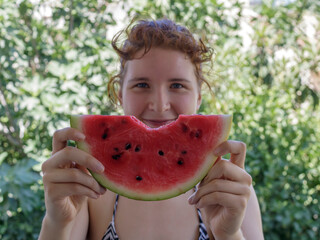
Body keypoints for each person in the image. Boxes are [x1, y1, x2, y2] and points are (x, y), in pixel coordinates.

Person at [39, 18, 264, 240]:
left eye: (177, 85)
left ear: (198, 98)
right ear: (120, 95)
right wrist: (57, 223)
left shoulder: (229, 190)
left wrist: (229, 234)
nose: (159, 104)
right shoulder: (89, 188)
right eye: (142, 85)